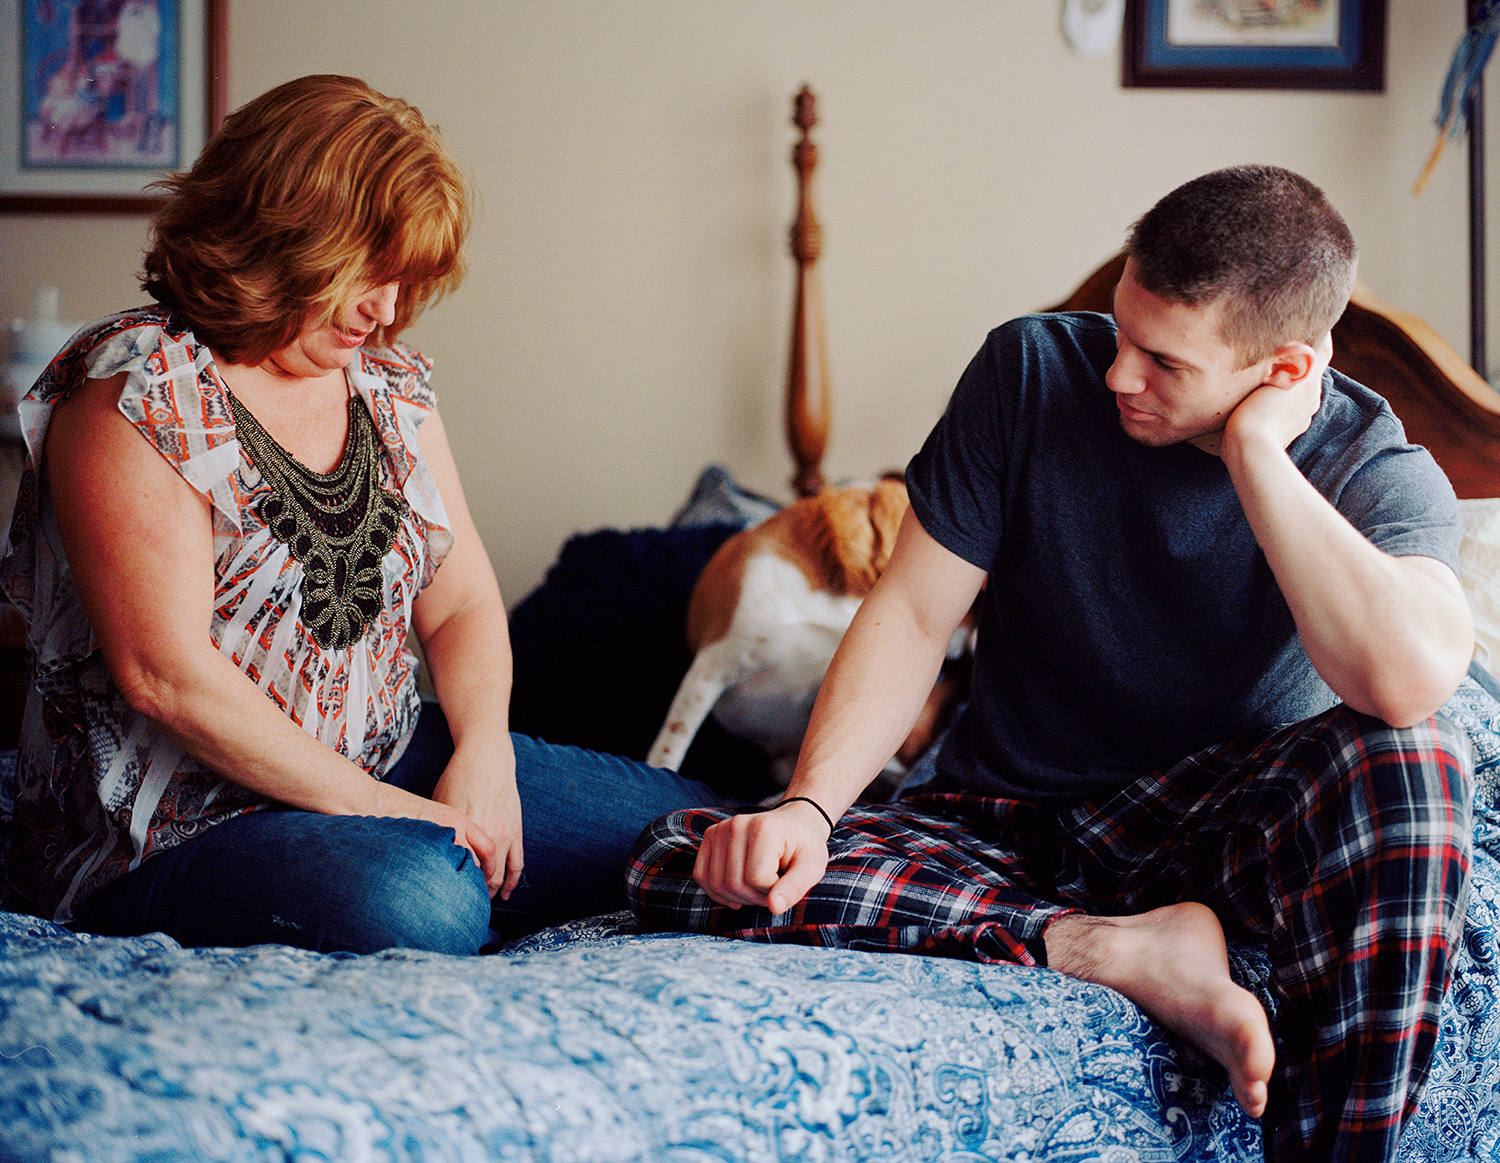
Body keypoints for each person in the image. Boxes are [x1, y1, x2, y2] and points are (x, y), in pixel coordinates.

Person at [627, 165, 1476, 1162]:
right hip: (1005, 824)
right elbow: (907, 615)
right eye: (1122, 331)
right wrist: (809, 809)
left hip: (1210, 830)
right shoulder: (1027, 374)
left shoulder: (1373, 463)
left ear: (1285, 371)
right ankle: (1107, 947)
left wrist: (1257, 456)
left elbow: (1407, 684)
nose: (1121, 375)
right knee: (688, 862)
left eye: (1165, 362)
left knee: (1418, 764)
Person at [1, 74, 718, 955]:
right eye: (367, 274)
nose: (385, 310)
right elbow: (167, 676)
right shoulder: (139, 391)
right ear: (282, 235)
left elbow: (462, 606)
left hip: (388, 751)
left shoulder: (386, 382)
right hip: (177, 828)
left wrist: (483, 757)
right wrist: (403, 817)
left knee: (700, 833)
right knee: (422, 901)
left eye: (405, 279)